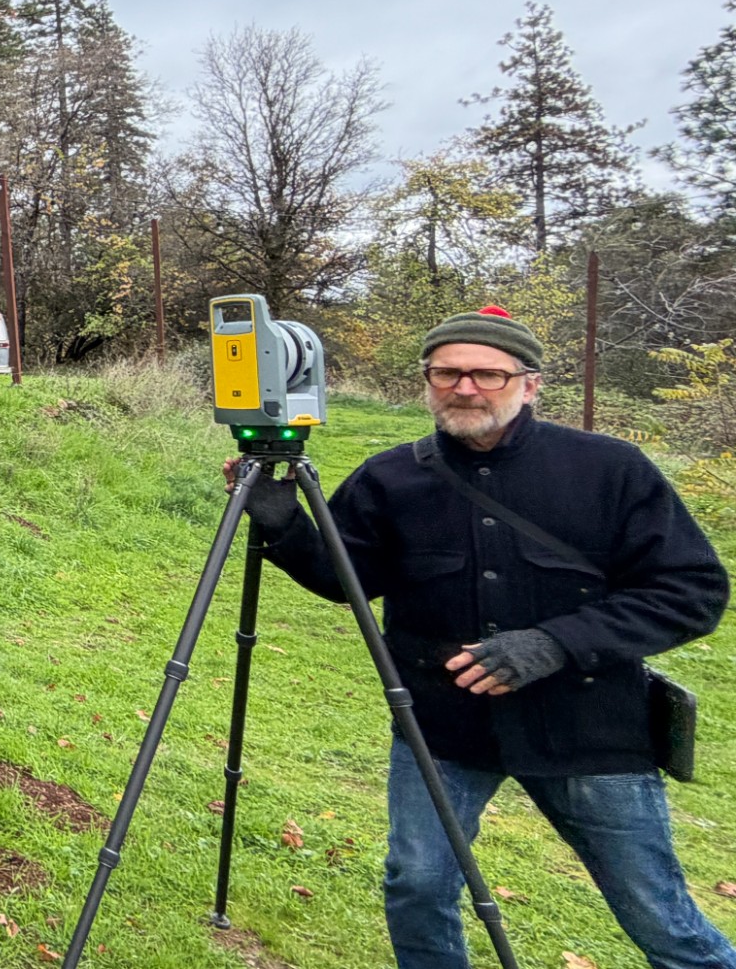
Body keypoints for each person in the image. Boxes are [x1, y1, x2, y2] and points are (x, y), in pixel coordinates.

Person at [223, 306, 736, 969]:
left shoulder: (611, 470)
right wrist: (284, 526)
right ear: (427, 380)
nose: (465, 388)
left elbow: (692, 589)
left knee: (660, 917)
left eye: (487, 374)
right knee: (418, 883)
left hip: (589, 726)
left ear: (528, 382)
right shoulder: (389, 477)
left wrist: (554, 642)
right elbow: (343, 578)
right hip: (444, 724)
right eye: (448, 372)